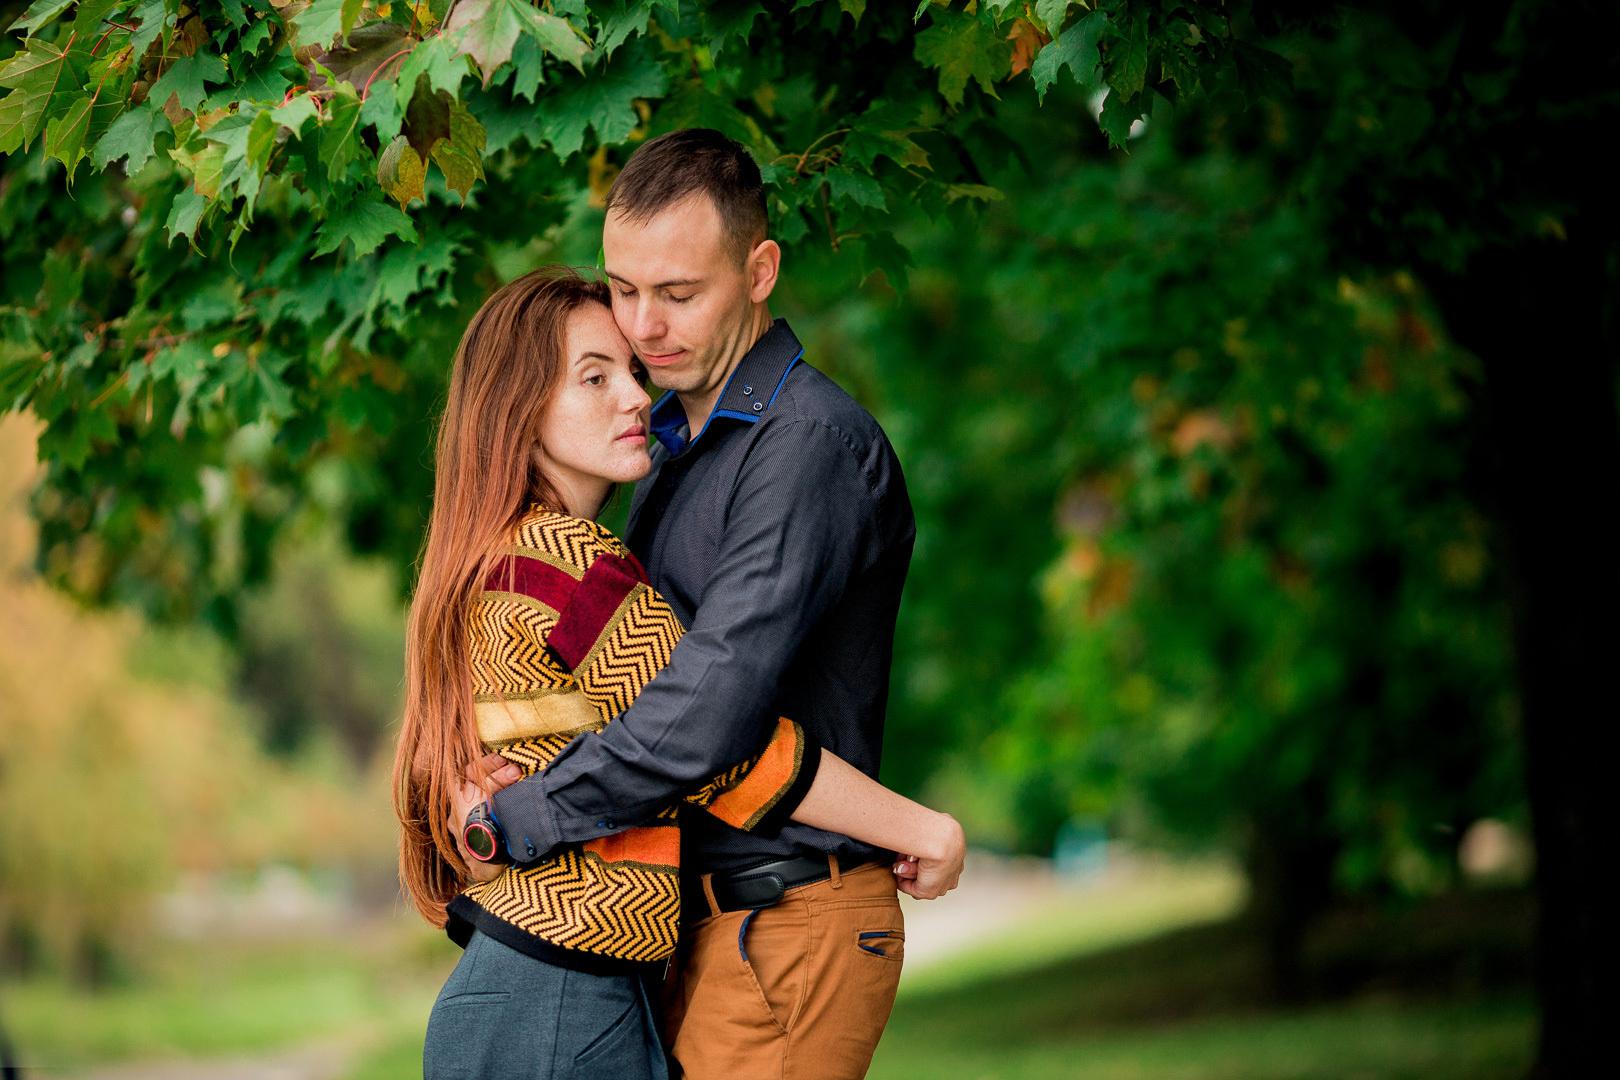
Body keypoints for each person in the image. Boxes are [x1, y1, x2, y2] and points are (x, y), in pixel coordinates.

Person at [393, 269, 965, 1080]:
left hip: (525, 985)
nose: (635, 397)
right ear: (517, 411)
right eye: (594, 378)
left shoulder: (496, 559)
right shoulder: (566, 562)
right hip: (559, 997)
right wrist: (922, 830)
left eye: (629, 370)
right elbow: (717, 744)